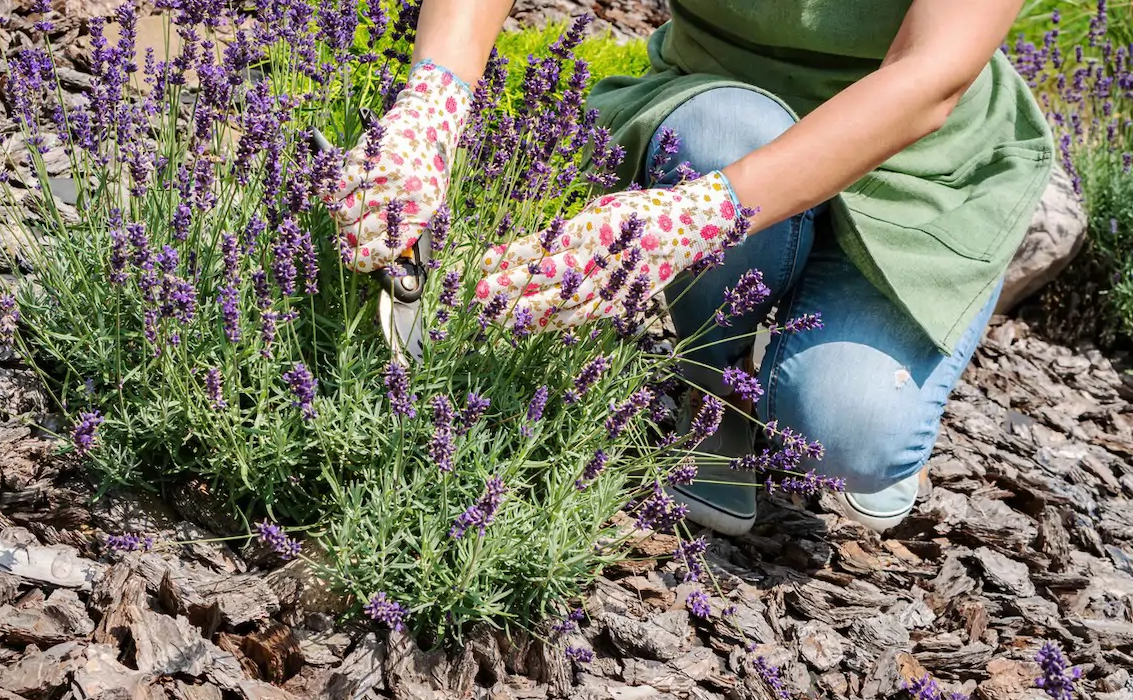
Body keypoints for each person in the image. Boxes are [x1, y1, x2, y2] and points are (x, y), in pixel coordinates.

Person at [323, 0, 1053, 536]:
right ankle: (714, 378)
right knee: (725, 136)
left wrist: (691, 217)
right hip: (723, 108)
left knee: (848, 438)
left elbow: (931, 74)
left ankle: (829, 320)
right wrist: (432, 105)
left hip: (919, 161)